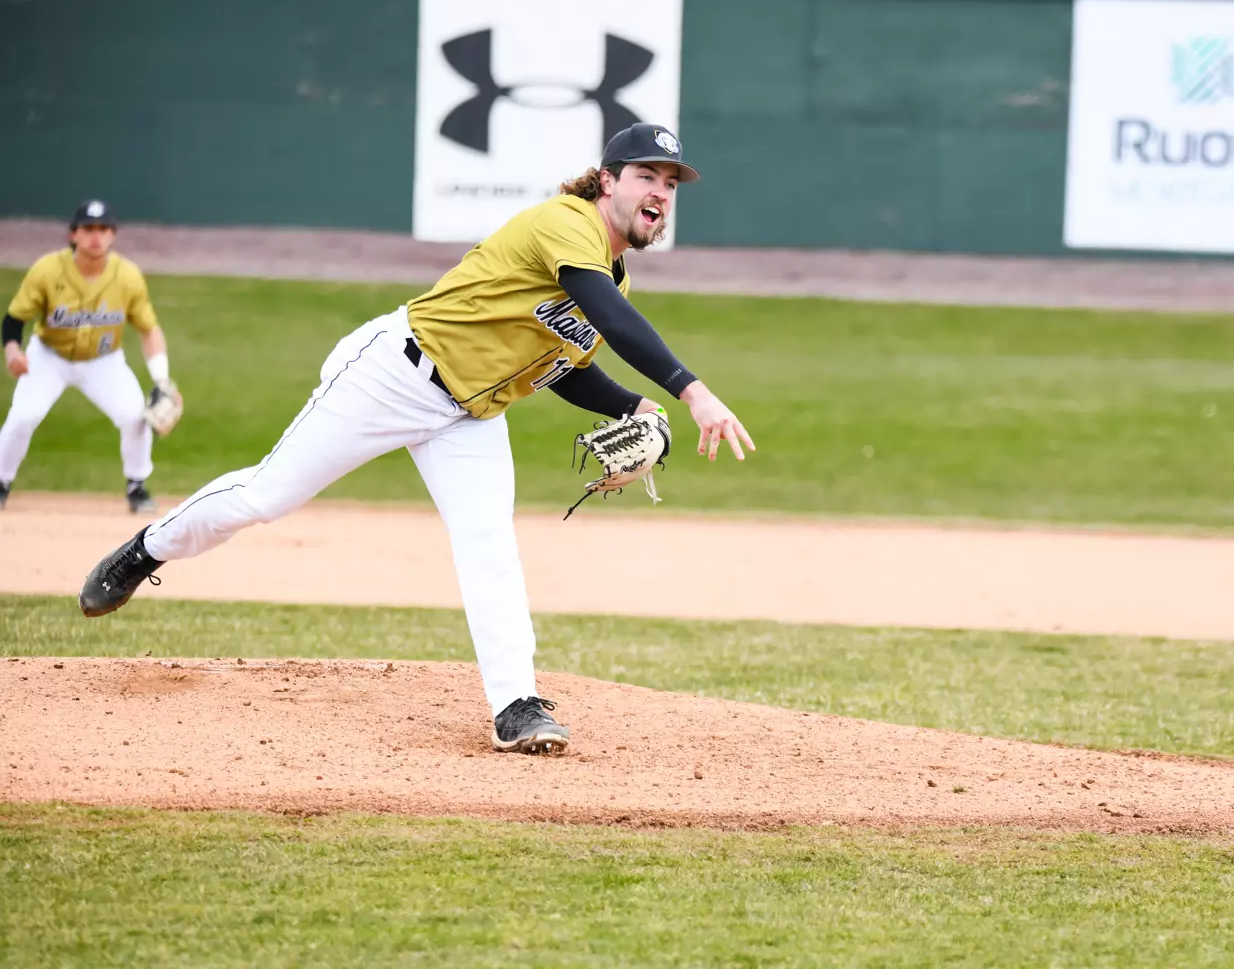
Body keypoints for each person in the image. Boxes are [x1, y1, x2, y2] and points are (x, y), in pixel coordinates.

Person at [76, 123, 756, 756]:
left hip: (470, 413)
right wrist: (688, 390)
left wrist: (631, 402)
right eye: (647, 176)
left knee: (490, 545)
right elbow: (609, 314)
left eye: (670, 184)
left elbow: (566, 370)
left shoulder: (614, 270)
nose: (660, 193)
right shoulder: (567, 224)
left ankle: (515, 705)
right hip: (395, 372)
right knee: (266, 495)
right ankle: (147, 548)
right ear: (608, 181)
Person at [1, 200, 172, 515]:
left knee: (135, 416)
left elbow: (149, 329)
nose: (96, 236)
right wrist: (13, 350)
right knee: (24, 416)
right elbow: (14, 318)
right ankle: (1, 481)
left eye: (103, 229)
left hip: (103, 362)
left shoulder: (128, 276)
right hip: (49, 356)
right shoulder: (48, 269)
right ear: (73, 234)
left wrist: (162, 378)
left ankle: (137, 486)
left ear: (113, 235)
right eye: (88, 229)